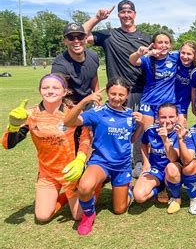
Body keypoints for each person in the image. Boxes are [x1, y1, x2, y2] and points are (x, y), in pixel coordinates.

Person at [2, 74, 91, 223]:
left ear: (64, 92)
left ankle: (94, 184)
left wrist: (80, 160)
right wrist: (13, 126)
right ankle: (63, 198)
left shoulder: (72, 112)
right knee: (42, 217)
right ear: (40, 90)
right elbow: (8, 144)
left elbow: (85, 138)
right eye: (45, 87)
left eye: (55, 87)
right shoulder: (30, 114)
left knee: (79, 216)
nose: (50, 91)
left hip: (72, 171)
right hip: (47, 173)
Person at [64, 77, 144, 236]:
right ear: (107, 93)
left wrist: (140, 125)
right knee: (85, 186)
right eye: (113, 93)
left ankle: (126, 189)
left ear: (127, 95)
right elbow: (68, 121)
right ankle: (88, 215)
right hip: (101, 162)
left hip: (122, 166)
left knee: (119, 210)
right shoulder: (97, 112)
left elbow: (132, 139)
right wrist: (83, 101)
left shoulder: (130, 115)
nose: (117, 97)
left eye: (121, 94)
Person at [83, 0, 151, 178]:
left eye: (130, 12)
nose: (126, 15)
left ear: (135, 14)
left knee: (138, 124)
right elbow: (80, 36)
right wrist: (97, 18)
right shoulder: (109, 35)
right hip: (117, 91)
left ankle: (138, 161)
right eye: (123, 12)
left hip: (140, 89)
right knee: (108, 127)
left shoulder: (145, 37)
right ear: (118, 14)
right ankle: (106, 162)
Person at [133, 103, 182, 214]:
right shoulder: (151, 130)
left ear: (177, 117)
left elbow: (174, 158)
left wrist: (165, 139)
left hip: (175, 170)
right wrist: (146, 162)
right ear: (157, 119)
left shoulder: (180, 132)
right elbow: (143, 144)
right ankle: (160, 187)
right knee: (139, 196)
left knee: (171, 168)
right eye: (163, 117)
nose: (167, 121)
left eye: (171, 117)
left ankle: (176, 197)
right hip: (156, 169)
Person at [129, 31, 179, 129]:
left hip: (167, 103)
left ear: (170, 45)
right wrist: (138, 53)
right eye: (160, 42)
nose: (163, 45)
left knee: (166, 135)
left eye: (166, 42)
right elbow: (132, 61)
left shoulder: (175, 56)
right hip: (149, 102)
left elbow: (191, 55)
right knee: (148, 134)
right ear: (154, 45)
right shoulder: (148, 58)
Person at [52, 23, 99, 105]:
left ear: (85, 39)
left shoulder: (93, 56)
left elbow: (94, 77)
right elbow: (57, 91)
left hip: (88, 102)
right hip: (69, 104)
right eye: (71, 38)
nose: (76, 41)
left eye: (80, 37)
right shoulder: (59, 65)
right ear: (65, 42)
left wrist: (97, 97)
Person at [175, 41, 196, 126]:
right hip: (168, 98)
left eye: (189, 54)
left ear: (194, 55)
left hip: (182, 102)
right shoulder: (174, 60)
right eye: (183, 53)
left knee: (181, 127)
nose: (185, 56)